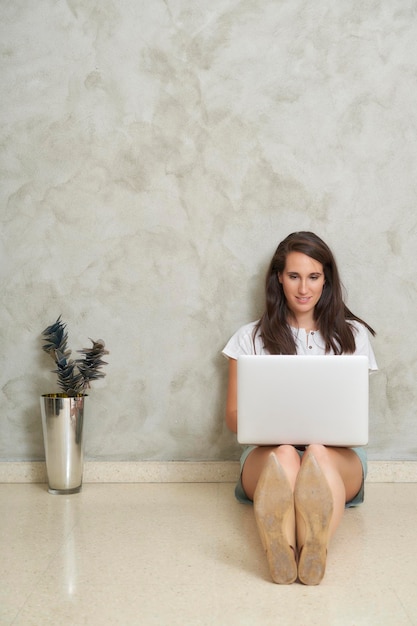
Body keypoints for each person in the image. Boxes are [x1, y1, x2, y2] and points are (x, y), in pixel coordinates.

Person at [222, 231, 378, 586]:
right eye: (294, 276)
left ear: (327, 279)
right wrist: (283, 435)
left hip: (337, 457)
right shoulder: (249, 337)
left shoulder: (352, 336)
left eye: (313, 276)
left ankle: (310, 547)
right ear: (279, 277)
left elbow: (354, 416)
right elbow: (232, 417)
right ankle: (284, 550)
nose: (303, 288)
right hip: (266, 455)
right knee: (285, 456)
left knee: (318, 454)